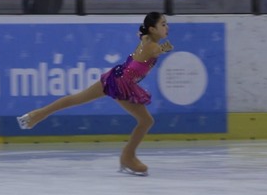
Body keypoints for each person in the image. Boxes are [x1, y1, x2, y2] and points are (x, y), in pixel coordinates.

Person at [17, 12, 174, 176]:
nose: (167, 27)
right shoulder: (153, 46)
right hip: (122, 84)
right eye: (163, 24)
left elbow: (146, 41)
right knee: (146, 120)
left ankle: (37, 115)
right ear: (152, 29)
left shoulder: (147, 40)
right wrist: (165, 48)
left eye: (166, 23)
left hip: (115, 76)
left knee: (77, 98)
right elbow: (157, 50)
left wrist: (149, 39)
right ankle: (127, 157)